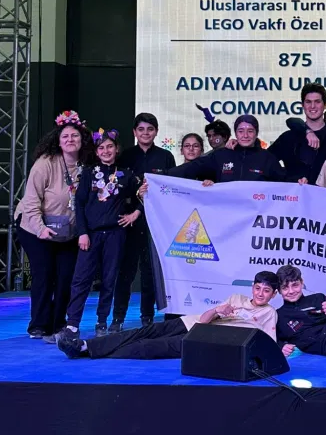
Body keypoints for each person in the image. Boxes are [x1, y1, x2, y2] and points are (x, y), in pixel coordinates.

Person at [57, 272, 279, 360]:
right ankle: (84, 346)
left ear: (274, 294)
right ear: (252, 287)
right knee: (143, 332)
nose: (260, 294)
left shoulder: (269, 313)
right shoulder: (236, 298)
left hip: (210, 339)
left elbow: (269, 344)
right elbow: (204, 320)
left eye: (266, 291)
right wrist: (217, 310)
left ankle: (89, 352)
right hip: (191, 323)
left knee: (147, 347)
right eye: (257, 288)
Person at [14, 111, 94, 341]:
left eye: (75, 136)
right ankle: (38, 325)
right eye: (65, 136)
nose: (70, 139)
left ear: (82, 140)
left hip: (69, 231)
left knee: (66, 276)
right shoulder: (45, 164)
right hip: (34, 226)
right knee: (44, 273)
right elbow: (31, 201)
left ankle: (59, 324)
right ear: (58, 141)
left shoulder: (88, 165)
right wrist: (41, 229)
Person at [63, 130, 141, 337]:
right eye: (101, 148)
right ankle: (72, 324)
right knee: (81, 279)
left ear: (117, 149)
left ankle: (102, 322)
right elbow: (79, 205)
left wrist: (135, 213)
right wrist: (82, 233)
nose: (106, 151)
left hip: (116, 234)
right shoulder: (89, 173)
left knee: (109, 279)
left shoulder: (126, 174)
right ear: (97, 152)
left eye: (110, 147)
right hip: (91, 234)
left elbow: (143, 196)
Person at [112, 113, 176, 331]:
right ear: (134, 132)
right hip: (128, 222)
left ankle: (147, 317)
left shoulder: (166, 157)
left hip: (156, 223)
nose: (145, 133)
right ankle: (118, 318)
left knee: (150, 273)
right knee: (126, 272)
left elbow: (170, 189)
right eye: (141, 129)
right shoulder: (125, 157)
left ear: (156, 132)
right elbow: (117, 189)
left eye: (150, 129)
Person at [165, 115, 283, 184]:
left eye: (250, 131)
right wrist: (162, 176)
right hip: (226, 216)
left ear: (256, 133)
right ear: (235, 133)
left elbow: (285, 185)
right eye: (241, 131)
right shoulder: (221, 155)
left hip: (256, 217)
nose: (245, 135)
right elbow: (191, 168)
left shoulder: (268, 159)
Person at [270, 83, 326, 183]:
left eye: (317, 102)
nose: (312, 106)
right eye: (308, 102)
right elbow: (265, 161)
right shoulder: (288, 138)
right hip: (293, 192)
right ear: (302, 105)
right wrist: (287, 179)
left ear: (325, 105)